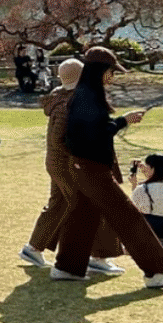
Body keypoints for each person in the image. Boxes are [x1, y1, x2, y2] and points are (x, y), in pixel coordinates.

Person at [52, 46, 163, 288]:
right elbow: (97, 135)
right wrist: (124, 121)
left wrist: (121, 121)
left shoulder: (85, 95)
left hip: (83, 167)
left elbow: (88, 133)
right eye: (111, 71)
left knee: (82, 217)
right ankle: (157, 273)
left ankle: (67, 268)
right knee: (129, 218)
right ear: (100, 71)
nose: (113, 76)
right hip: (93, 170)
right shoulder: (88, 97)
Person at [19, 58, 125, 273]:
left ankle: (33, 248)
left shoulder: (63, 98)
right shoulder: (70, 102)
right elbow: (62, 138)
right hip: (69, 164)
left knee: (59, 205)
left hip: (59, 163)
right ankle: (98, 257)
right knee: (94, 206)